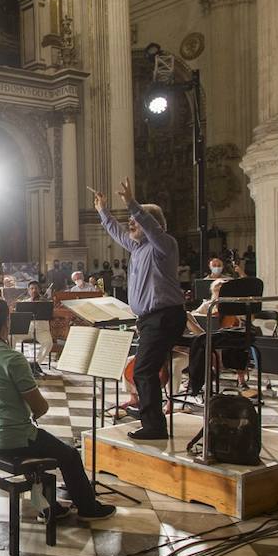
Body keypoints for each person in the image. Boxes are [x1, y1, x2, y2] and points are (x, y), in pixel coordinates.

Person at [0, 298, 115, 521]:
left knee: (39, 445)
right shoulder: (13, 359)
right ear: (7, 322)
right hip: (12, 438)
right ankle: (88, 508)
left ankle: (49, 506)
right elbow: (41, 407)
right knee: (69, 454)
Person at [94, 178, 187, 440]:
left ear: (152, 223)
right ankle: (152, 419)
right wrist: (103, 210)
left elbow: (149, 226)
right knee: (145, 370)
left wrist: (132, 204)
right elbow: (117, 232)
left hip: (164, 317)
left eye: (136, 221)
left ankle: (154, 426)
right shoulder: (137, 248)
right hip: (149, 319)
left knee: (144, 370)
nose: (131, 224)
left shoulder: (164, 245)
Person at [21, 280, 53, 377]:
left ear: (40, 290)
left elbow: (51, 315)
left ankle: (36, 364)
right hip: (27, 330)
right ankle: (14, 363)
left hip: (42, 331)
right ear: (28, 290)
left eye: (36, 288)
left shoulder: (46, 302)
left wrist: (43, 301)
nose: (34, 290)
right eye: (32, 288)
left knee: (48, 343)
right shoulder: (24, 303)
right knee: (11, 336)